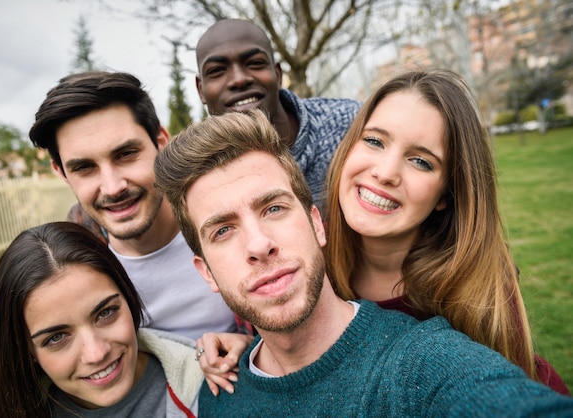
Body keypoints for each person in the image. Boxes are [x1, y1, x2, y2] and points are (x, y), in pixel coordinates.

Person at [153, 108, 573, 416]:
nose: (258, 244)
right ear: (206, 272)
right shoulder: (218, 397)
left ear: (317, 225)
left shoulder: (418, 363)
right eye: (222, 231)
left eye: (274, 208)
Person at [324, 69, 569, 395]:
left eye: (421, 161)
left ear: (445, 195)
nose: (385, 173)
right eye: (374, 141)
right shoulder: (309, 257)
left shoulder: (473, 282)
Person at [29, 71, 238, 340]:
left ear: (161, 143)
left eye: (126, 154)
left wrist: (254, 350)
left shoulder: (231, 218)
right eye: (84, 167)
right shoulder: (66, 266)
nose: (113, 187)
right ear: (62, 173)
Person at [0, 222, 203, 418]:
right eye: (56, 338)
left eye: (105, 313)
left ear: (128, 299)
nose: (96, 353)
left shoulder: (211, 384)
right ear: (25, 351)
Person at [195, 18, 361, 206]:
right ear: (201, 90)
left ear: (278, 74)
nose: (239, 80)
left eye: (255, 63)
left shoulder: (351, 126)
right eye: (217, 70)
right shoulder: (199, 180)